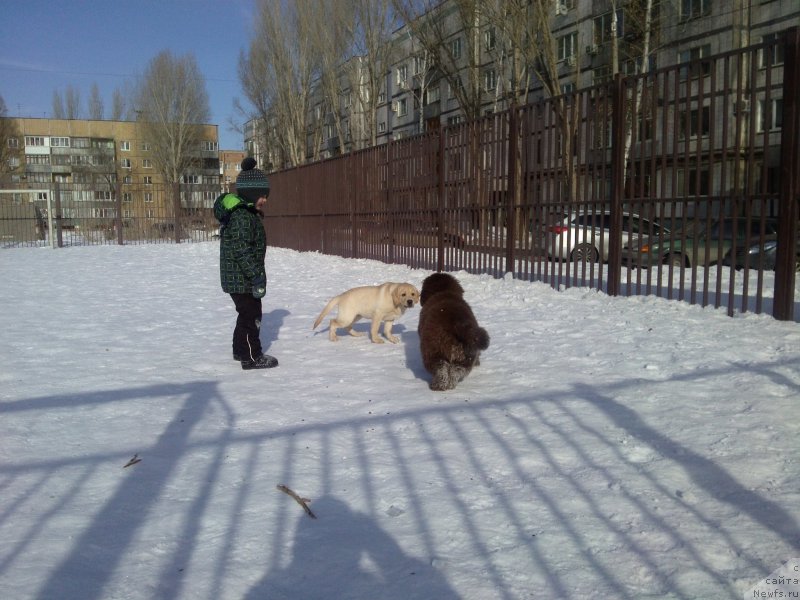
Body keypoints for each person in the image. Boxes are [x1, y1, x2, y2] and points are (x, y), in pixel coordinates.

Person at [214, 157, 278, 369]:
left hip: (239, 277)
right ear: (250, 193)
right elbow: (242, 251)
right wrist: (256, 276)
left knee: (245, 314)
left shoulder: (246, 214)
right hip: (242, 278)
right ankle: (252, 356)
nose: (265, 200)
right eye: (262, 195)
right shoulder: (243, 217)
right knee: (252, 316)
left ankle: (240, 350)